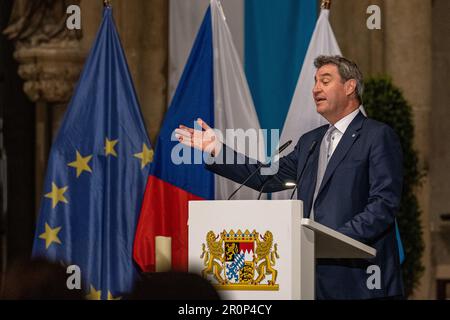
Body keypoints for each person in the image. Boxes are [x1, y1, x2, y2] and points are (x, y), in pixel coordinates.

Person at [175, 55, 404, 300]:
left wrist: (338, 239)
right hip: (311, 277)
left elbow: (383, 205)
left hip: (361, 279)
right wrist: (218, 150)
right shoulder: (310, 141)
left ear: (350, 87)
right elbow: (266, 177)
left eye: (325, 81)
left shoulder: (377, 135)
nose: (316, 88)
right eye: (315, 82)